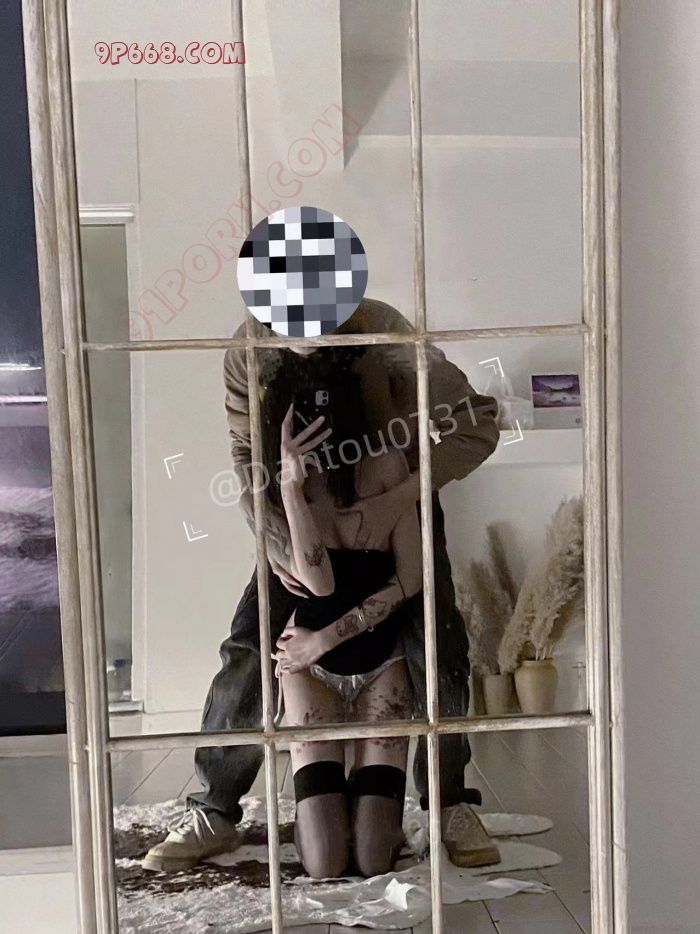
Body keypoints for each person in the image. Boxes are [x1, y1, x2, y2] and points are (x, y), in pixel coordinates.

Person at [143, 298, 500, 873]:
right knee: (249, 645)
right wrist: (274, 534)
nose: (303, 335)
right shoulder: (249, 346)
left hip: (395, 502)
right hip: (299, 509)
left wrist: (399, 495)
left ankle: (450, 803)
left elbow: (476, 422)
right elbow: (245, 450)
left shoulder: (386, 334)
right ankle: (215, 808)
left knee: (438, 646)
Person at [266, 359, 422, 878]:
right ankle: (329, 805)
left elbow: (411, 578)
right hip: (310, 671)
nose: (319, 423)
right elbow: (320, 584)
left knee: (375, 859)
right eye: (305, 412)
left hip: (380, 661)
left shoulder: (385, 465)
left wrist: (324, 640)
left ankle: (363, 804)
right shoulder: (281, 484)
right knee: (325, 863)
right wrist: (292, 490)